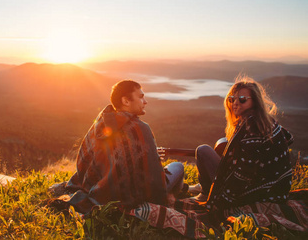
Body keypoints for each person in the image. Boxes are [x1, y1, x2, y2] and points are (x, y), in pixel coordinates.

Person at [62, 80, 185, 214]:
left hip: (99, 191)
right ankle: (170, 198)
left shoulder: (100, 123)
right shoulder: (141, 129)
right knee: (178, 167)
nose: (145, 101)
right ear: (126, 101)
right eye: (141, 97)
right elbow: (153, 178)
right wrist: (154, 162)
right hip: (133, 196)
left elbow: (88, 159)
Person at [191, 76, 294, 213]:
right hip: (277, 188)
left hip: (255, 192)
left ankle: (205, 192)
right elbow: (288, 138)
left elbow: (244, 174)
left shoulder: (252, 126)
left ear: (255, 102)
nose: (235, 104)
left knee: (203, 151)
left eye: (242, 100)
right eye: (232, 99)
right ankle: (205, 191)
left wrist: (220, 201)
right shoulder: (266, 120)